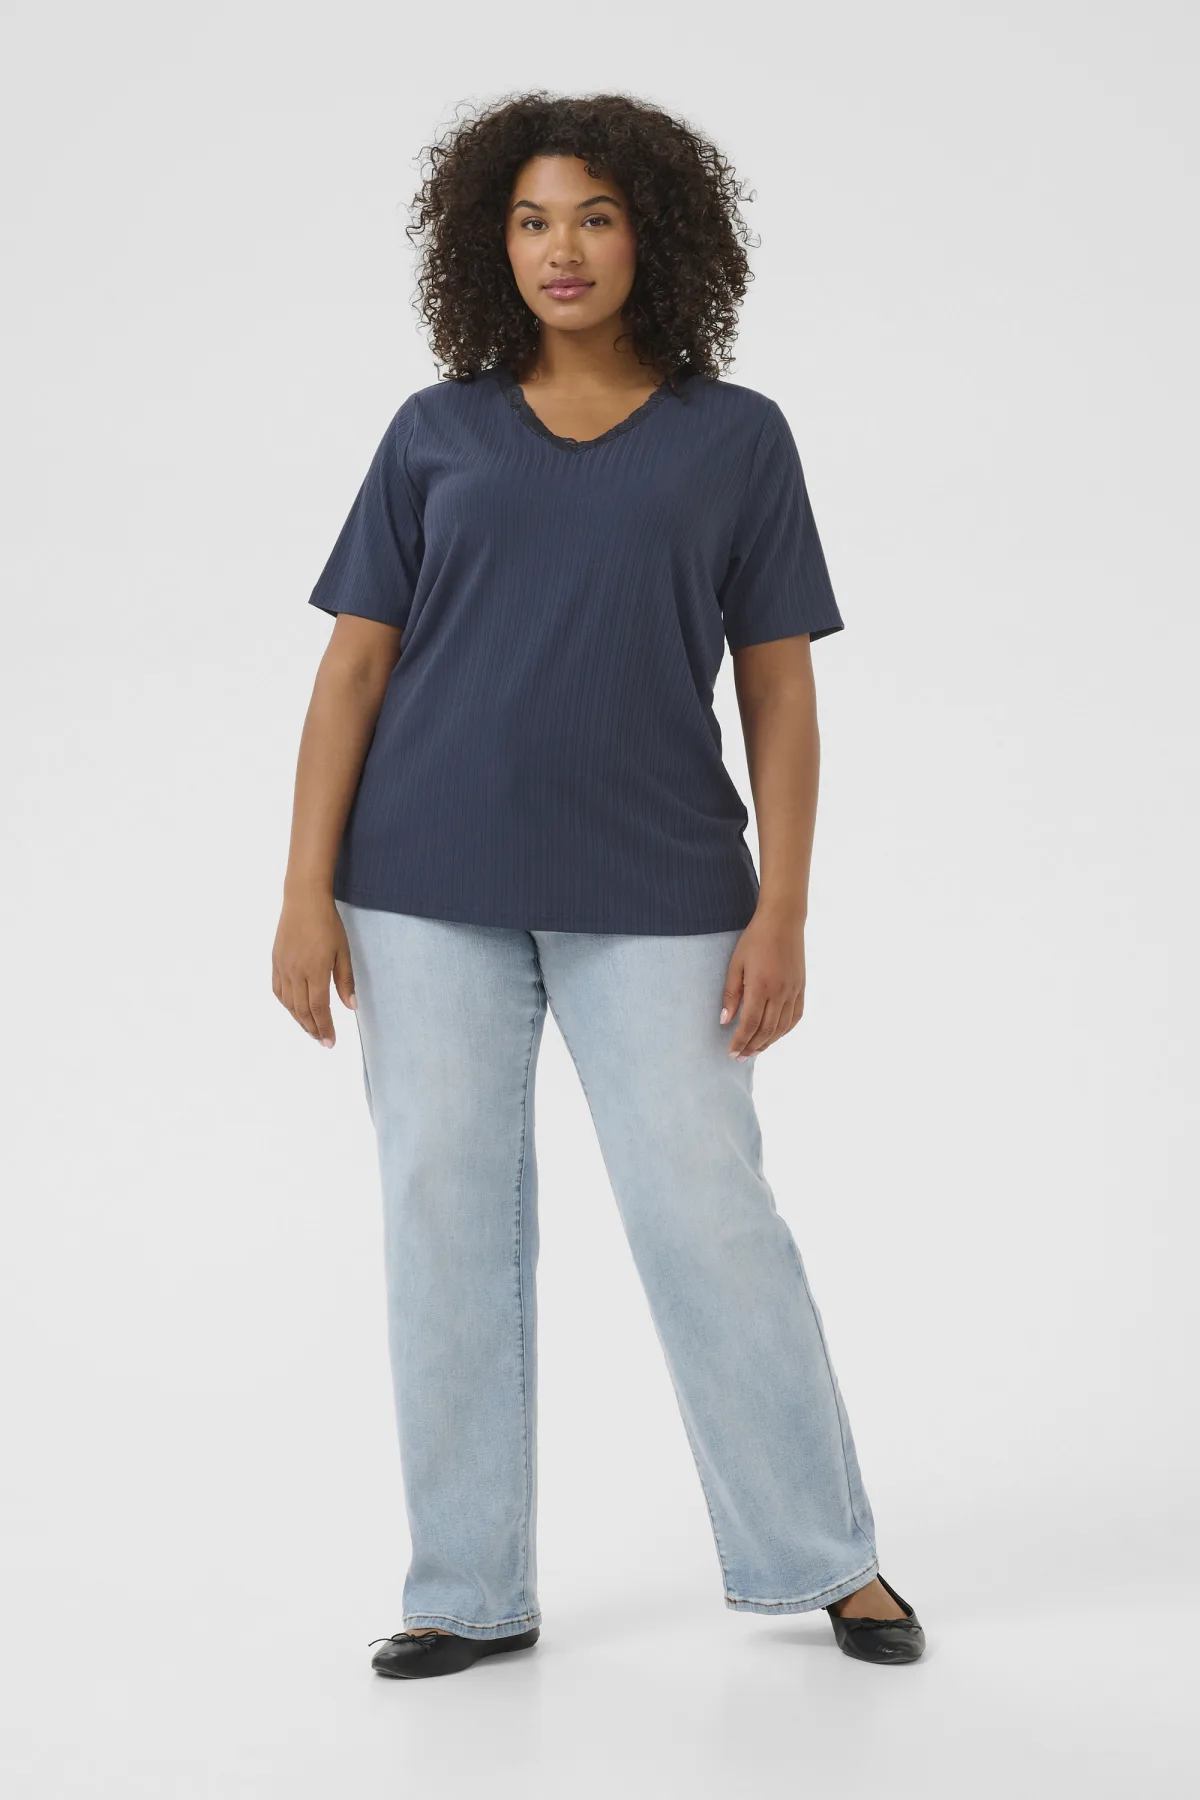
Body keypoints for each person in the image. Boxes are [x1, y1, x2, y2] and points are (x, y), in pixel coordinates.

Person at [272, 90, 926, 1680]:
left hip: (664, 885)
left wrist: (785, 906)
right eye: (530, 220)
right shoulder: (434, 430)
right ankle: (466, 1588)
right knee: (444, 1222)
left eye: (595, 217)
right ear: (489, 244)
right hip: (421, 883)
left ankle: (824, 1555)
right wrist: (303, 890)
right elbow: (353, 671)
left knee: (709, 1214)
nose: (560, 249)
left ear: (655, 236)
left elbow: (780, 689)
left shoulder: (736, 437)